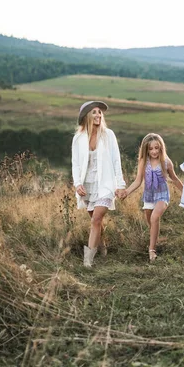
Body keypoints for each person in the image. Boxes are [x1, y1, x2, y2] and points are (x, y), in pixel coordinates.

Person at [72, 100, 126, 268]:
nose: (98, 115)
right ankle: (102, 247)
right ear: (86, 116)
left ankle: (88, 261)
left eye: (99, 112)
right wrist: (78, 184)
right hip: (87, 186)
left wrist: (120, 184)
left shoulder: (108, 134)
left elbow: (116, 160)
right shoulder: (78, 138)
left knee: (96, 219)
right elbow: (76, 164)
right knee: (96, 221)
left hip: (106, 184)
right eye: (94, 112)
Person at [122, 133, 183, 262]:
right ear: (146, 149)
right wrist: (126, 192)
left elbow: (175, 179)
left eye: (157, 148)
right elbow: (138, 181)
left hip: (162, 194)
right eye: (151, 149)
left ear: (161, 148)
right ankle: (156, 241)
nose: (154, 151)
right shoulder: (143, 162)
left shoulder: (166, 162)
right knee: (151, 223)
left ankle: (152, 251)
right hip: (148, 196)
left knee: (155, 218)